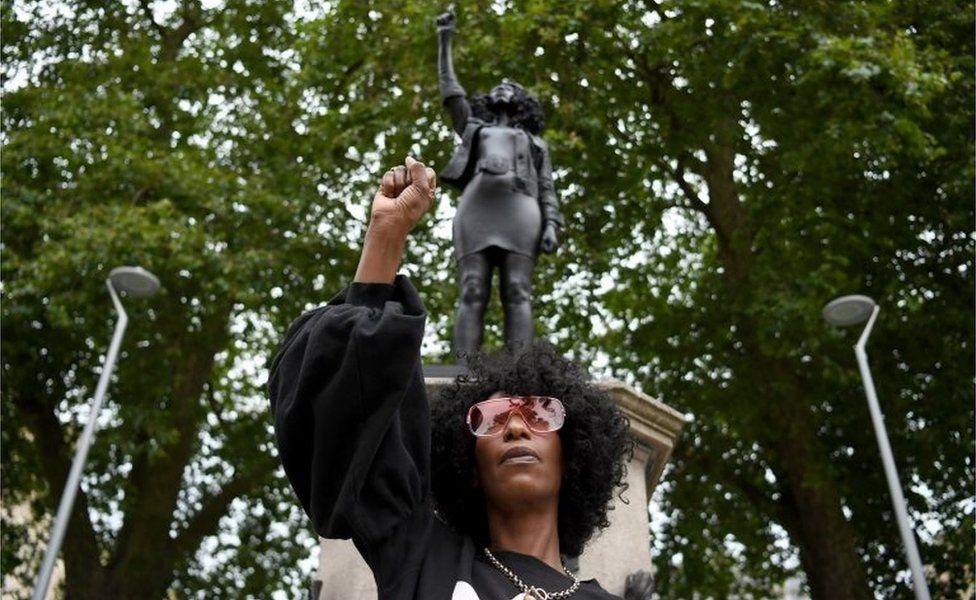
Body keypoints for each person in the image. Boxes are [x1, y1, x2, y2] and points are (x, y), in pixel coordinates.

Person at [269, 156, 632, 600]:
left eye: (540, 415)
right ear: (471, 469)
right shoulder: (420, 556)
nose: (516, 426)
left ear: (571, 455)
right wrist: (386, 234)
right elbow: (345, 406)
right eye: (491, 418)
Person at [435, 10, 563, 354]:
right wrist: (444, 38)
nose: (503, 88)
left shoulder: (535, 144)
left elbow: (547, 188)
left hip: (522, 211)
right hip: (477, 209)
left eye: (511, 87)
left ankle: (520, 371)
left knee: (518, 289)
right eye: (498, 86)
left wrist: (552, 224)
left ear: (522, 103)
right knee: (472, 287)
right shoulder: (475, 129)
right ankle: (464, 373)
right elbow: (451, 93)